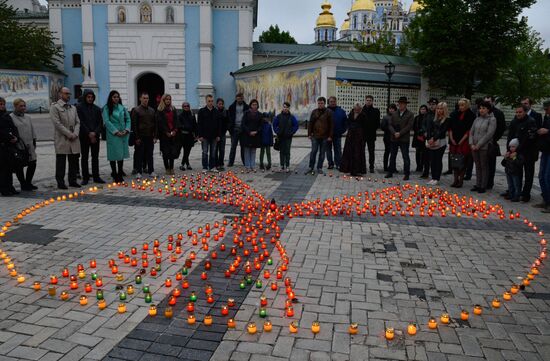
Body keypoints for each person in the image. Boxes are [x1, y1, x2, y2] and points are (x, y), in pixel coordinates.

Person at [506, 105, 539, 202]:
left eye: (520, 112)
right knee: (516, 173)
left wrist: (516, 151)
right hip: (516, 152)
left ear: (525, 112)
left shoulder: (531, 121)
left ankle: (525, 195)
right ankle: (516, 193)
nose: (518, 114)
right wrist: (509, 150)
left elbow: (528, 140)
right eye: (516, 112)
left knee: (528, 174)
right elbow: (510, 137)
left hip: (529, 153)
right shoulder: (514, 121)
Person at [50, 87, 81, 189]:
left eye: (69, 94)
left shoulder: (73, 108)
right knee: (61, 162)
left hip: (74, 138)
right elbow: (57, 124)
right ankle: (60, 182)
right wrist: (69, 134)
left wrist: (75, 133)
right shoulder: (55, 107)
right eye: (66, 93)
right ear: (60, 94)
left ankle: (72, 180)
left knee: (73, 161)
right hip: (62, 138)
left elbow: (77, 122)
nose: (68, 95)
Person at [76, 89, 105, 185]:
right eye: (88, 97)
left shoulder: (97, 108)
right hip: (84, 136)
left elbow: (100, 122)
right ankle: (85, 177)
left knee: (95, 157)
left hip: (95, 136)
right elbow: (80, 122)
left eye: (92, 97)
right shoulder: (79, 107)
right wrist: (89, 133)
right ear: (85, 97)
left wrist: (95, 133)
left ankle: (96, 176)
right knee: (84, 157)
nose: (90, 99)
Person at [102, 90, 130, 183]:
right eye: (114, 97)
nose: (116, 98)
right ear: (111, 98)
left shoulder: (122, 107)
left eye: (117, 97)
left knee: (121, 154)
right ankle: (114, 173)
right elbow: (106, 121)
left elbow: (128, 119)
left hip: (123, 133)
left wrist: (126, 129)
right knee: (113, 154)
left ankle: (120, 172)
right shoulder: (106, 108)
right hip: (112, 133)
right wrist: (115, 131)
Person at [469, 101, 496, 193]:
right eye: (480, 108)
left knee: (484, 166)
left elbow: (489, 134)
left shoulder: (492, 119)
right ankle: (477, 184)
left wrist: (478, 145)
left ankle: (483, 186)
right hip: (474, 147)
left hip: (484, 147)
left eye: (484, 108)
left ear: (488, 109)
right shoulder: (477, 119)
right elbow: (471, 132)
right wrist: (471, 143)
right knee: (477, 166)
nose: (481, 110)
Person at [10, 99, 37, 191]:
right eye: (21, 106)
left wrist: (34, 141)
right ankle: (23, 183)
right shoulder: (11, 117)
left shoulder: (28, 117)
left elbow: (32, 129)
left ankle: (28, 182)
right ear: (15, 106)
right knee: (19, 166)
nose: (23, 108)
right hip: (19, 145)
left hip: (29, 144)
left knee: (32, 163)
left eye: (24, 106)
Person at [448, 98, 475, 188]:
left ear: (467, 105)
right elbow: (450, 128)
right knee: (454, 160)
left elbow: (469, 130)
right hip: (453, 141)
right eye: (459, 105)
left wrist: (461, 141)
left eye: (463, 105)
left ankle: (461, 180)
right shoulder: (454, 114)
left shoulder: (471, 116)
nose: (461, 107)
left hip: (464, 142)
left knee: (462, 161)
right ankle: (455, 180)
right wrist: (451, 138)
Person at [386, 97, 414, 180]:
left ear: (405, 104)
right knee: (392, 156)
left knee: (405, 156)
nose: (400, 105)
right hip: (394, 137)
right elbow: (389, 124)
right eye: (399, 103)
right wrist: (394, 132)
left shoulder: (410, 114)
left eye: (402, 103)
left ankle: (407, 174)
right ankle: (390, 172)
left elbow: (409, 126)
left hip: (404, 138)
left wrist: (400, 133)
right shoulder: (394, 113)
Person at [131, 92, 157, 178]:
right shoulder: (136, 110)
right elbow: (134, 125)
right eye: (144, 98)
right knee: (139, 154)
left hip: (150, 136)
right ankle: (138, 171)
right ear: (140, 99)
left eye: (147, 98)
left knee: (150, 154)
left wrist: (155, 136)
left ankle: (151, 171)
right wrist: (137, 137)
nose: (146, 100)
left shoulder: (152, 110)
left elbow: (154, 124)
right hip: (140, 136)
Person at [306, 97, 333, 175]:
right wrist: (309, 134)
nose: (320, 104)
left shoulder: (329, 112)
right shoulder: (314, 112)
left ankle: (319, 167)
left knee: (322, 153)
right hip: (315, 136)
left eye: (321, 103)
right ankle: (311, 167)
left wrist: (330, 136)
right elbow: (310, 123)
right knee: (313, 151)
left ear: (324, 103)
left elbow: (331, 125)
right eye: (319, 103)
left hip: (325, 136)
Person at [484, 95, 506, 189]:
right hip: (482, 142)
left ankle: (489, 183)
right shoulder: (482, 112)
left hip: (492, 142)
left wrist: (494, 139)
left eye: (489, 101)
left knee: (491, 164)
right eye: (485, 101)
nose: (487, 103)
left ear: (493, 102)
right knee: (482, 164)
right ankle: (482, 182)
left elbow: (501, 128)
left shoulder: (498, 113)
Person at [0, 97, 20, 196]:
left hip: (9, 146)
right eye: (0, 104)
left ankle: (10, 187)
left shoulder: (6, 115)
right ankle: (3, 188)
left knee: (9, 167)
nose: (2, 106)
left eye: (3, 104)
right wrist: (9, 137)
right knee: (3, 169)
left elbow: (13, 127)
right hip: (2, 145)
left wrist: (16, 137)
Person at [425, 102, 449, 186]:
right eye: (438, 108)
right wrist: (428, 138)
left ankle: (437, 178)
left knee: (438, 160)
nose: (439, 110)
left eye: (441, 109)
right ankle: (433, 177)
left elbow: (442, 131)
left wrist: (434, 138)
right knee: (432, 160)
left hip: (440, 142)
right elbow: (429, 129)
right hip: (432, 141)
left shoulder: (447, 119)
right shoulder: (434, 118)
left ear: (444, 110)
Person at [340, 103, 367, 176]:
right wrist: (350, 127)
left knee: (357, 153)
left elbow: (365, 126)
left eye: (358, 109)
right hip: (350, 136)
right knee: (349, 152)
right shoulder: (351, 114)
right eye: (355, 109)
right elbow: (348, 122)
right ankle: (348, 169)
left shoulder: (363, 115)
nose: (356, 110)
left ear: (360, 109)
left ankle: (357, 170)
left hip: (359, 137)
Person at [157, 94, 181, 175]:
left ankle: (171, 167)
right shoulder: (160, 110)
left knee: (172, 152)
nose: (168, 101)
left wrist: (175, 130)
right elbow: (160, 123)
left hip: (173, 133)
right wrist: (166, 132)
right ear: (163, 100)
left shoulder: (173, 109)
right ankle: (167, 168)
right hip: (164, 135)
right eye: (166, 99)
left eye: (169, 99)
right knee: (165, 152)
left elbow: (176, 121)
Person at [272, 102, 298, 173]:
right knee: (281, 151)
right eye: (284, 107)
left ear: (289, 108)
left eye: (286, 107)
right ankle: (282, 165)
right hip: (281, 136)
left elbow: (296, 125)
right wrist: (277, 131)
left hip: (288, 137)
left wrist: (292, 132)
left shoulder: (291, 117)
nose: (285, 108)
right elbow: (274, 125)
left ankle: (287, 165)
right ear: (282, 108)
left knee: (287, 151)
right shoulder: (279, 116)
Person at [197, 95, 221, 172]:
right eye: (209, 101)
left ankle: (212, 166)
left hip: (214, 136)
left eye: (212, 101)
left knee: (213, 152)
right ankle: (205, 167)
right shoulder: (201, 111)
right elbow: (199, 124)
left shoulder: (216, 111)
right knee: (205, 151)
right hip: (204, 136)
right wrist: (200, 135)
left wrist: (218, 135)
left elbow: (218, 125)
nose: (211, 102)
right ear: (206, 101)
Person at [535, 100, 550, 212]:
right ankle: (545, 199)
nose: (545, 111)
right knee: (541, 176)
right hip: (545, 149)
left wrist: (547, 131)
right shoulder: (546, 117)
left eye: (547, 108)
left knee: (547, 177)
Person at [326, 96, 347, 170]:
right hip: (327, 135)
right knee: (328, 150)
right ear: (329, 102)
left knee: (338, 150)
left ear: (336, 102)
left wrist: (342, 130)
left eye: (333, 101)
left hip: (337, 134)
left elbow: (345, 122)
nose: (332, 103)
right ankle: (330, 164)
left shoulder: (341, 111)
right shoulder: (325, 111)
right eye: (331, 101)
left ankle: (338, 164)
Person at [228, 93, 249, 167]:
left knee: (243, 147)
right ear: (236, 98)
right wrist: (230, 128)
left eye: (241, 98)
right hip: (234, 129)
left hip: (243, 130)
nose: (239, 100)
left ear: (243, 98)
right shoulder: (232, 107)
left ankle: (244, 162)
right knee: (233, 147)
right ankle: (230, 162)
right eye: (238, 98)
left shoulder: (246, 107)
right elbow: (229, 118)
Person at [241, 99, 263, 172]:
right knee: (247, 150)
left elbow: (261, 125)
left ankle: (252, 165)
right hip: (247, 135)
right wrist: (249, 132)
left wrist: (256, 131)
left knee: (253, 151)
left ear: (257, 106)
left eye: (255, 104)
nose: (254, 106)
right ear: (250, 105)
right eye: (253, 104)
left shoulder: (260, 114)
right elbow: (243, 124)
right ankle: (247, 166)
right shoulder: (246, 113)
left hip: (255, 135)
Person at [362, 95, 381, 173]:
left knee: (371, 152)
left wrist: (372, 129)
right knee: (361, 151)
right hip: (362, 135)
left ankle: (371, 166)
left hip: (371, 135)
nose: (368, 101)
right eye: (367, 100)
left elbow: (377, 123)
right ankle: (362, 166)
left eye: (370, 100)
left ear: (372, 101)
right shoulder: (361, 110)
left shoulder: (376, 111)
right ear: (365, 101)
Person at [178, 102, 197, 171]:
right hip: (183, 136)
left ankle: (185, 164)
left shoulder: (192, 114)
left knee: (188, 151)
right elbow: (179, 125)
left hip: (190, 136)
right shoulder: (180, 115)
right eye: (185, 106)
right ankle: (184, 164)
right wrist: (186, 127)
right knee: (185, 150)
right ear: (182, 107)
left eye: (187, 106)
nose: (186, 107)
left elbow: (195, 125)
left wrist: (196, 134)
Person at [412, 105, 429, 177]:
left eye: (424, 109)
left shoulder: (427, 117)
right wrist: (418, 132)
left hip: (424, 137)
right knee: (417, 152)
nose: (423, 110)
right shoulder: (417, 117)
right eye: (421, 109)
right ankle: (418, 166)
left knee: (424, 152)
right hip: (417, 137)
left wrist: (422, 134)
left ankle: (422, 165)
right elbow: (414, 127)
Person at [380, 104, 397, 172]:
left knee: (394, 153)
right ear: (388, 109)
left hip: (395, 137)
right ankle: (385, 167)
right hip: (387, 137)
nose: (391, 110)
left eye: (393, 109)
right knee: (387, 152)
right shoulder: (385, 117)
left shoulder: (397, 117)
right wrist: (390, 129)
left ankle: (393, 167)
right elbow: (382, 127)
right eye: (390, 108)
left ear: (395, 109)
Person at [215, 98, 230, 171]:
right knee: (215, 149)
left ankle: (221, 164)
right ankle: (216, 164)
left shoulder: (226, 112)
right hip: (216, 134)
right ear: (217, 104)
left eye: (222, 104)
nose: (221, 105)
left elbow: (228, 122)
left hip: (223, 133)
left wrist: (226, 129)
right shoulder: (215, 111)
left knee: (222, 150)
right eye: (219, 104)